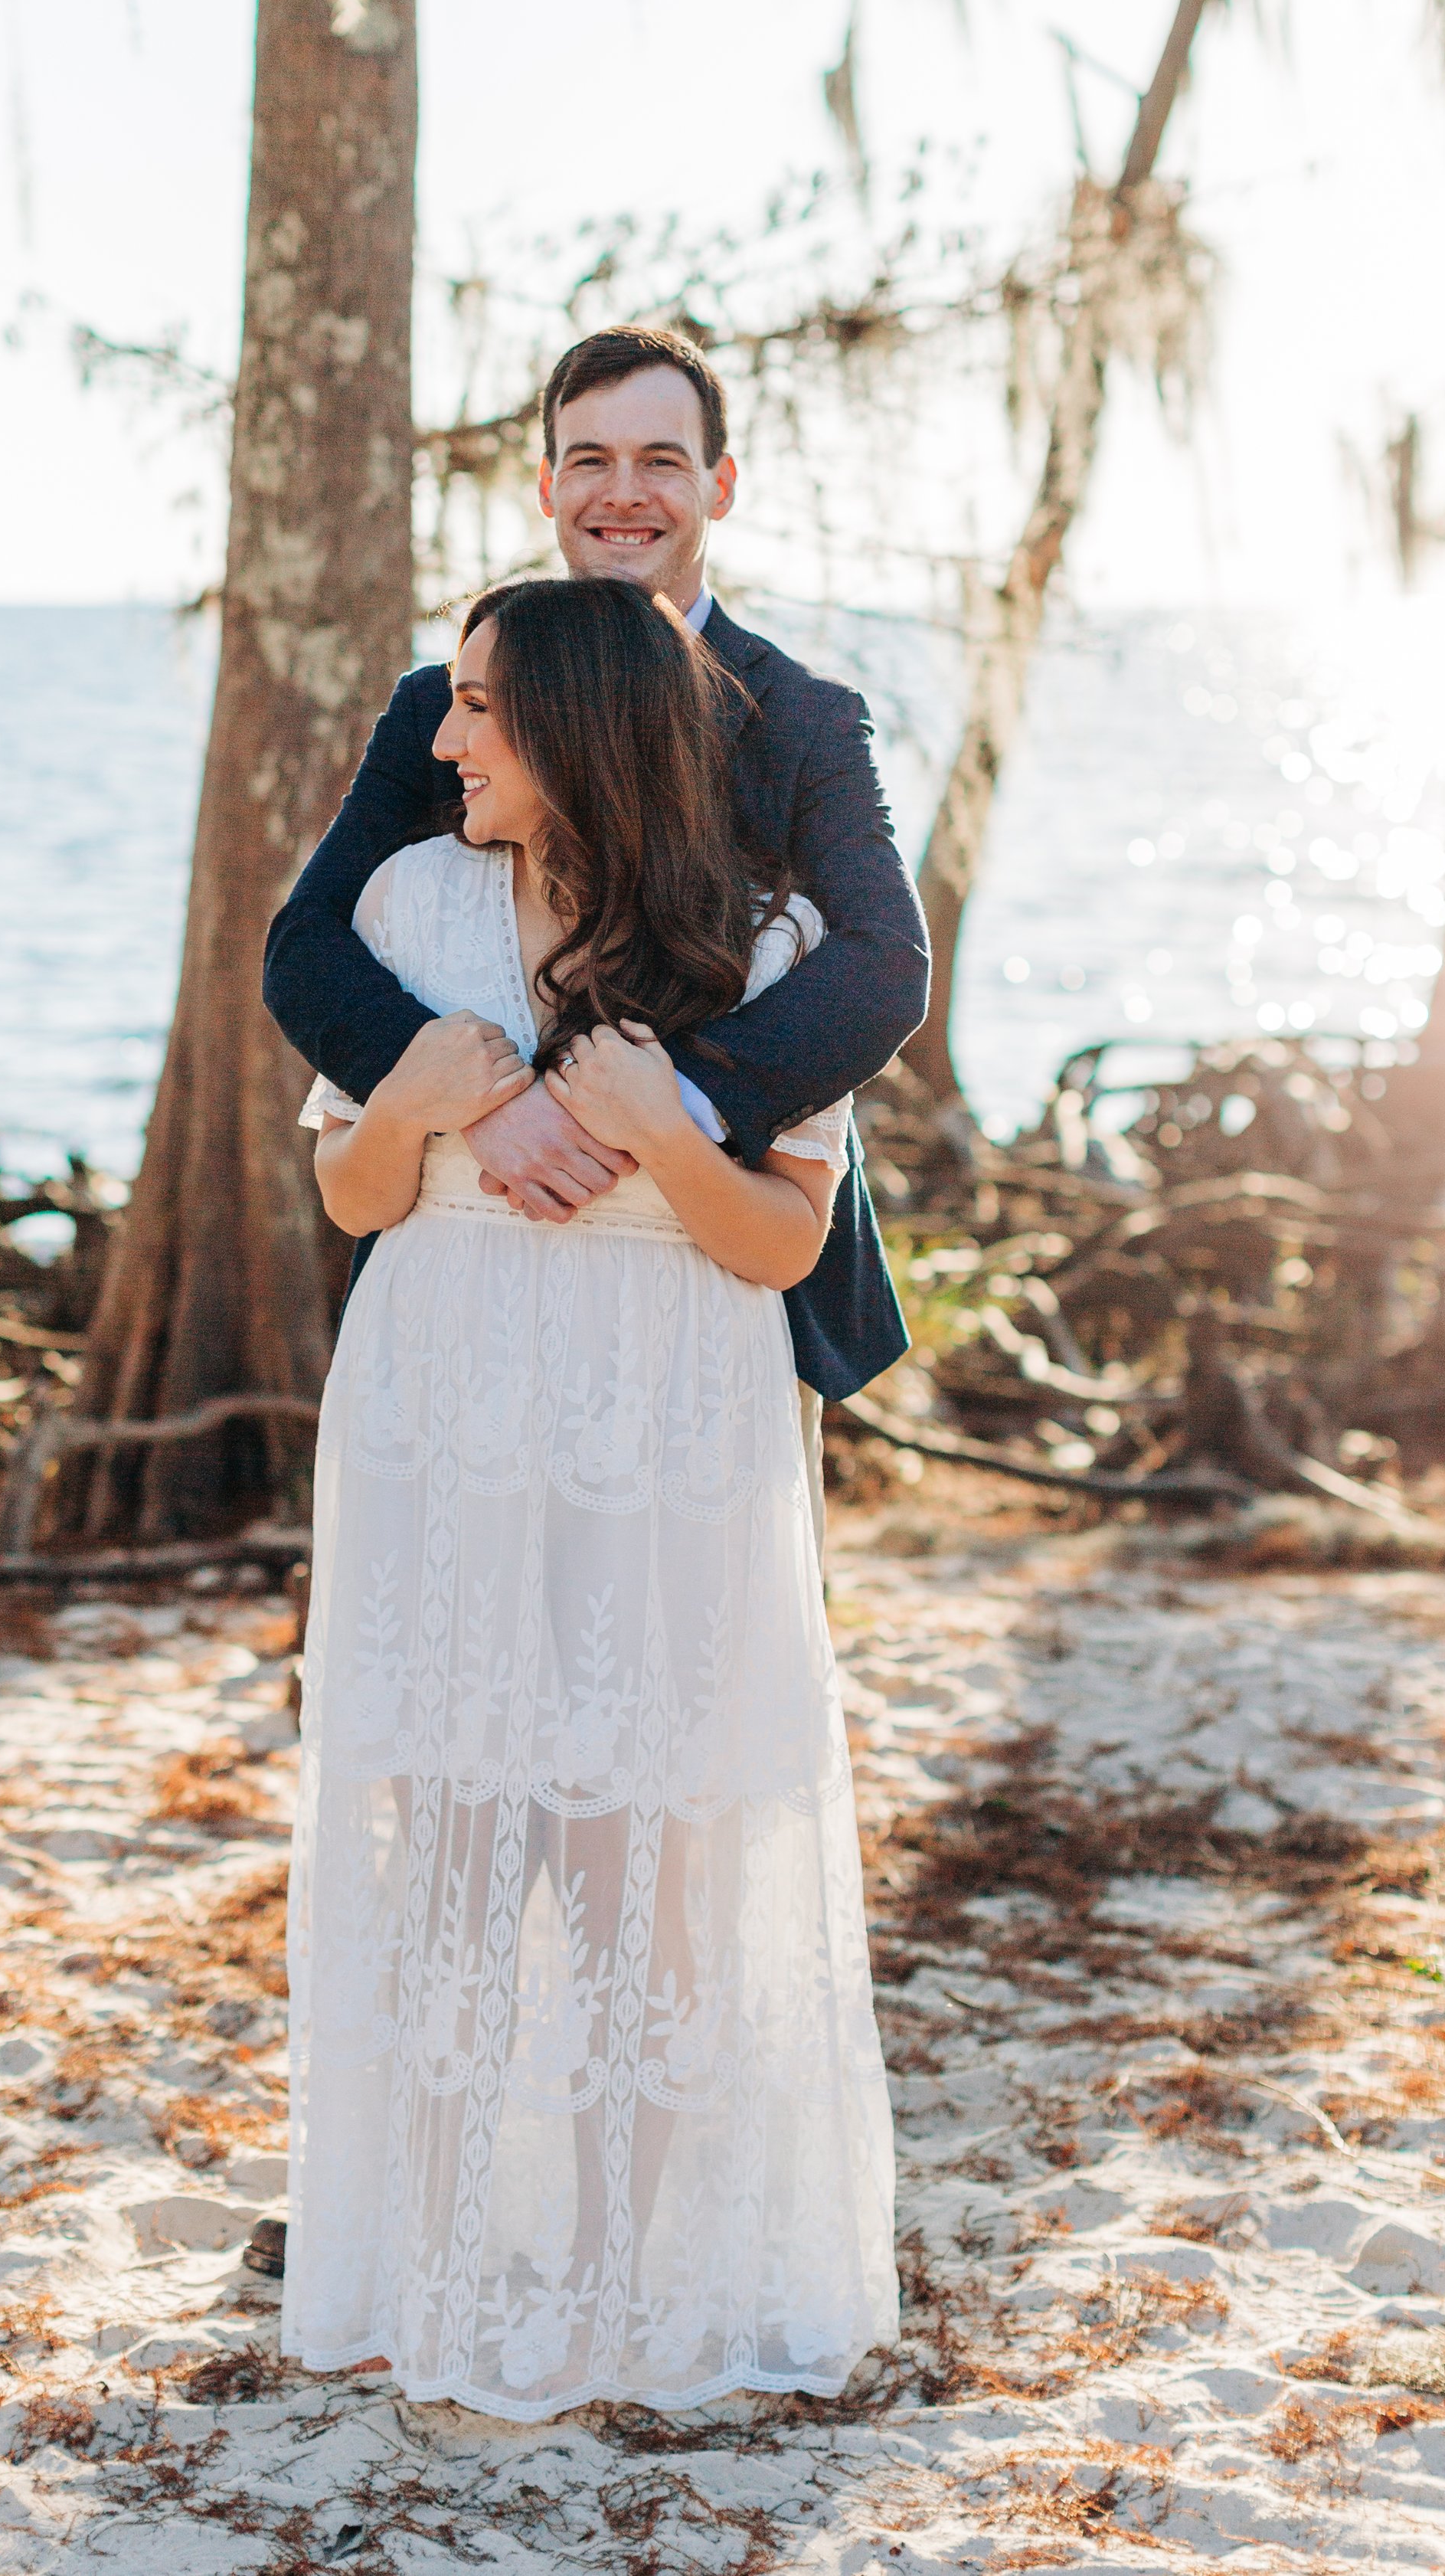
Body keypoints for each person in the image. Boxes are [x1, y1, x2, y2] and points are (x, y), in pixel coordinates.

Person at [280, 578, 901, 2415]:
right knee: (455, 1833)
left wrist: (649, 1126)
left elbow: (783, 1240)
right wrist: (425, 1096)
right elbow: (347, 1197)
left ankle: (636, 2279)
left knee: (655, 1842)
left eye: (477, 709)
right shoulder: (405, 910)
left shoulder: (766, 947)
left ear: (575, 727)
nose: (443, 740)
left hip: (664, 1424)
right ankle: (448, 2263)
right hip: (444, 1409)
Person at [263, 324, 930, 1561]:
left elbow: (886, 965)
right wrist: (476, 1102)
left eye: (662, 461)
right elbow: (310, 943)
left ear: (720, 487)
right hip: (477, 1270)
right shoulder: (448, 702)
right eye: (589, 460)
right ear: (547, 485)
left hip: (710, 1254)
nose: (623, 494)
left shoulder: (802, 718)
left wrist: (664, 1103)